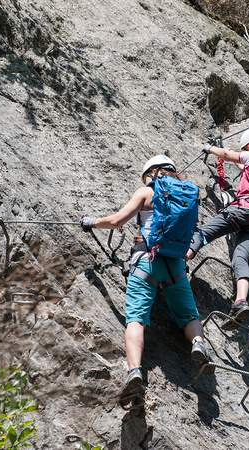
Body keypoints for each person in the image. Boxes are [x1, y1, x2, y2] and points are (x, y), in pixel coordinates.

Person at [80, 155, 209, 409]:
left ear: (151, 174)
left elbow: (117, 220)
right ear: (172, 172)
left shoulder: (146, 193)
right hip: (175, 264)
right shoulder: (188, 196)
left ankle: (135, 371)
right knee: (188, 314)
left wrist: (91, 222)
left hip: (145, 260)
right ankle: (198, 342)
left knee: (136, 318)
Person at [186, 126, 249, 325]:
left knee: (202, 234)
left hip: (243, 210)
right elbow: (241, 166)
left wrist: (210, 148)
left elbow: (228, 155)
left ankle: (179, 263)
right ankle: (240, 302)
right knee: (240, 258)